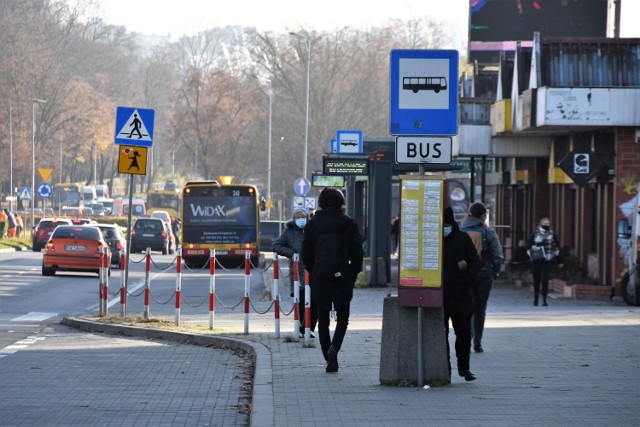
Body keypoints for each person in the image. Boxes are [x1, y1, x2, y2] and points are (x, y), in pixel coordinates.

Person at [301, 187, 363, 373]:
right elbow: (357, 252)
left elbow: (306, 252)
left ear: (320, 202)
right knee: (343, 317)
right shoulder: (349, 223)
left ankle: (327, 356)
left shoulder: (313, 224)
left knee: (322, 317)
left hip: (321, 277)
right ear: (340, 202)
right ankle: (335, 348)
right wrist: (353, 273)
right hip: (343, 276)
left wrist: (314, 270)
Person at [442, 207, 481, 382]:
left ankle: (464, 368)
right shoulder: (432, 240)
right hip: (440, 296)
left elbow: (475, 261)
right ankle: (446, 369)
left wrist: (467, 278)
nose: (445, 227)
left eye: (447, 224)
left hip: (461, 295)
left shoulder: (462, 238)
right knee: (441, 335)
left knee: (464, 334)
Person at [461, 202, 504, 353]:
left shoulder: (460, 231)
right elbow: (498, 256)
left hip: (464, 275)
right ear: (483, 217)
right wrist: (494, 271)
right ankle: (477, 342)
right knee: (480, 309)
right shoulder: (488, 232)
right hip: (484, 274)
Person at [272, 208, 316, 337]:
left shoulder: (312, 230)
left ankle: (311, 328)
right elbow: (276, 246)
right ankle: (302, 329)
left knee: (316, 302)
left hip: (314, 270)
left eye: (303, 217)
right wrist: (292, 254)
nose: (301, 220)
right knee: (301, 301)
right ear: (294, 219)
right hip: (299, 272)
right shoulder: (289, 232)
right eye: (298, 217)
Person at [526, 218, 560, 306]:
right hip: (537, 259)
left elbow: (557, 246)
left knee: (545, 279)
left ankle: (544, 299)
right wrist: (532, 247)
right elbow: (528, 244)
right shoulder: (535, 234)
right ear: (540, 224)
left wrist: (557, 256)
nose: (546, 225)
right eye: (544, 223)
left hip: (547, 259)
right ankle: (536, 298)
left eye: (548, 223)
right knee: (536, 279)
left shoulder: (552, 235)